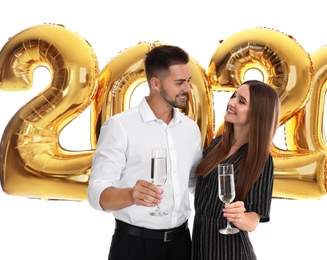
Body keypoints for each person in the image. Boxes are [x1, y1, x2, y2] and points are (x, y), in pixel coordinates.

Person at [87, 45, 203, 260]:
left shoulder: (190, 129)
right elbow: (96, 194)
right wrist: (131, 195)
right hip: (134, 246)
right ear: (155, 83)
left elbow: (195, 183)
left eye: (188, 81)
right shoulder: (120, 126)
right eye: (179, 82)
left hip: (182, 245)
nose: (187, 88)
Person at [191, 80, 280, 260]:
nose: (231, 102)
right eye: (234, 96)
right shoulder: (218, 144)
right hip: (200, 247)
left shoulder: (261, 158)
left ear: (257, 114)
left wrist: (239, 217)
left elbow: (254, 219)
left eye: (241, 101)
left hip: (230, 253)